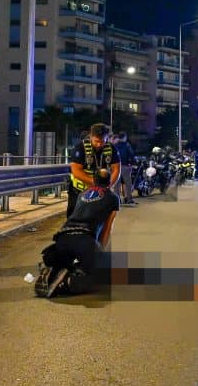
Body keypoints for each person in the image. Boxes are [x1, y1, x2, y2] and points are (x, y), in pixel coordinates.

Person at [36, 168, 120, 298]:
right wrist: (100, 253)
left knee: (72, 256)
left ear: (94, 180)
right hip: (84, 239)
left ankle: (54, 270)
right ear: (110, 182)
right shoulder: (113, 198)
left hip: (62, 238)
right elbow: (107, 228)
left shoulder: (82, 194)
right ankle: (69, 282)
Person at [67, 122, 121, 218]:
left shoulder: (112, 149)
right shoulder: (80, 148)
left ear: (107, 138)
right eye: (96, 141)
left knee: (101, 217)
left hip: (101, 192)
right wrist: (94, 183)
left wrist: (108, 186)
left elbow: (116, 169)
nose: (99, 144)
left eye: (102, 141)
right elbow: (76, 170)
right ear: (91, 136)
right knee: (74, 217)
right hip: (79, 190)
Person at [114, 131, 136, 205]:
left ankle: (117, 200)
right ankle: (129, 199)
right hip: (125, 166)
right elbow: (131, 154)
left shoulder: (115, 145)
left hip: (116, 167)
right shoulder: (127, 145)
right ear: (124, 137)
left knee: (117, 185)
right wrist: (133, 163)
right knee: (128, 183)